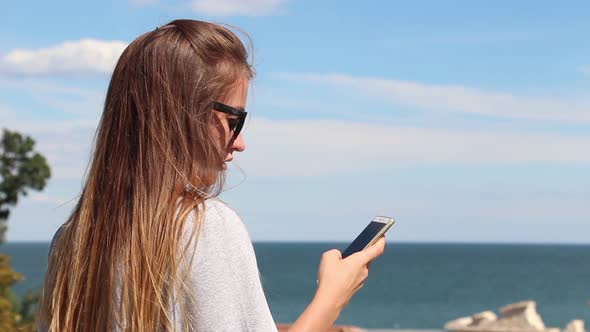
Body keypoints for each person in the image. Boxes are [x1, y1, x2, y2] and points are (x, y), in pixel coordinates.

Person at [38, 19, 386, 332]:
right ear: (186, 114)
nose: (241, 143)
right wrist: (333, 296)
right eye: (234, 121)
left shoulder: (73, 240)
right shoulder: (203, 228)